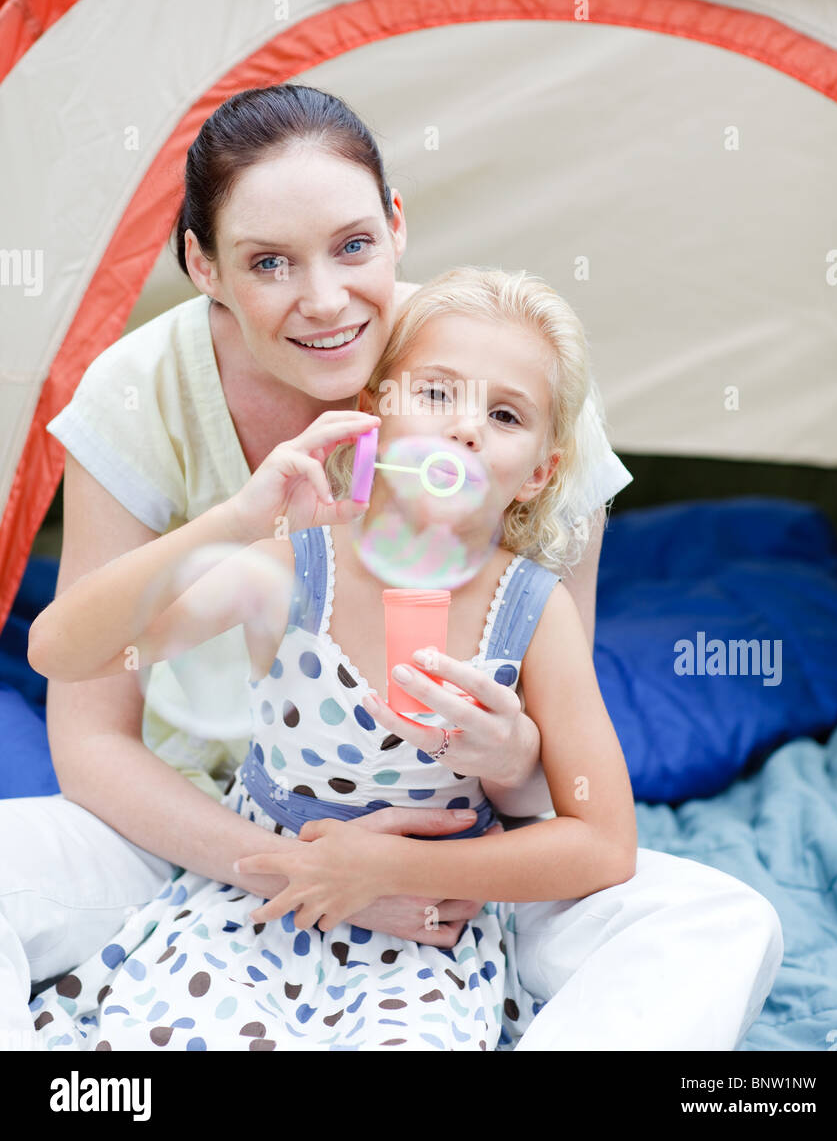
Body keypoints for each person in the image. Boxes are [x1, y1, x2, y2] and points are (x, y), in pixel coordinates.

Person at [2, 84, 782, 1051]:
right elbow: (82, 713)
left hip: (452, 873)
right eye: (269, 262)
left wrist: (502, 781)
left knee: (725, 922)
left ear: (396, 224)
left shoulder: (520, 371)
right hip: (185, 831)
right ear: (201, 264)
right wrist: (309, 872)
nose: (325, 300)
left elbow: (570, 783)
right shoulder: (153, 406)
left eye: (353, 244)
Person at [27, 266, 642, 1051]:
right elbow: (60, 651)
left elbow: (603, 842)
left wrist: (391, 873)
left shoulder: (530, 611)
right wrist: (237, 520)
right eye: (436, 393)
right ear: (372, 417)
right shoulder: (295, 568)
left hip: (422, 942)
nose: (465, 429)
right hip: (252, 919)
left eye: (505, 414)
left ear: (541, 474)